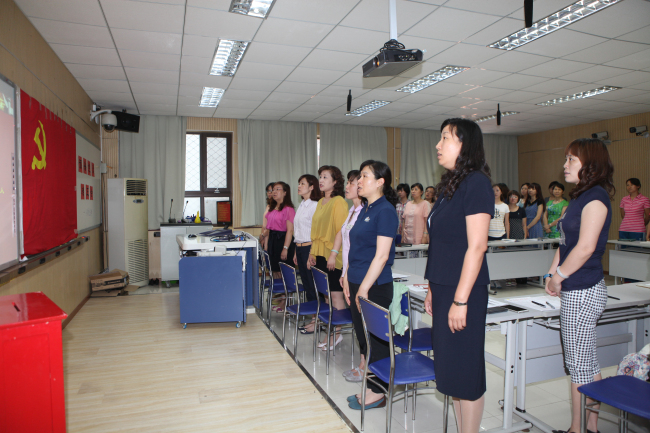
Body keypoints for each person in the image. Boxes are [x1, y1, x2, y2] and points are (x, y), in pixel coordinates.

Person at [424, 118, 493, 433]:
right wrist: (432, 288)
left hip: (463, 291)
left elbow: (477, 247)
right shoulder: (449, 185)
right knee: (452, 372)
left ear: (464, 144)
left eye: (445, 138)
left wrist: (460, 300)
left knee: (466, 371)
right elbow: (440, 244)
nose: (438, 145)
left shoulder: (476, 183)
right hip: (444, 288)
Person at [544, 138, 614, 433]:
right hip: (576, 287)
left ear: (590, 164)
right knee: (584, 363)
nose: (565, 165)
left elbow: (585, 248)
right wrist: (551, 273)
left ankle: (578, 429)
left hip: (584, 289)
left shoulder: (596, 198)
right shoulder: (579, 198)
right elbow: (566, 243)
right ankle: (590, 428)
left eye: (571, 159)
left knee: (579, 366)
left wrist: (559, 276)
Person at [344, 160, 398, 410]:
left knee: (376, 342)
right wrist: (348, 279)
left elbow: (382, 255)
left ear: (380, 182)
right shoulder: (366, 209)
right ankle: (371, 386)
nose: (359, 181)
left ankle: (378, 392)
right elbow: (355, 249)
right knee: (364, 338)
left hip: (374, 286)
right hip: (357, 281)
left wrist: (364, 288)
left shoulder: (385, 211)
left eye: (365, 176)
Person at [308, 166, 349, 348]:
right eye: (320, 177)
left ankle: (337, 334)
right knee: (326, 296)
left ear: (335, 181)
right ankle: (330, 331)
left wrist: (333, 253)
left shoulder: (339, 201)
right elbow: (316, 232)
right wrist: (312, 253)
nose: (321, 180)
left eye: (325, 177)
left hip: (333, 255)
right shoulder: (320, 202)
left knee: (336, 296)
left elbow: (341, 230)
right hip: (320, 255)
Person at [331, 171, 365, 381]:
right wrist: (343, 273)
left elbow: (357, 248)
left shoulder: (363, 211)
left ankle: (365, 364)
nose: (348, 186)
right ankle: (362, 363)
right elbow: (345, 244)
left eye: (352, 183)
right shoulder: (352, 210)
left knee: (362, 321)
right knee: (357, 321)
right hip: (349, 273)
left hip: (359, 273)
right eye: (349, 182)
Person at [292, 175, 320, 330]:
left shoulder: (315, 205)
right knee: (307, 285)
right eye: (299, 183)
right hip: (300, 247)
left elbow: (316, 232)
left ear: (311, 187)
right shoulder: (302, 205)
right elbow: (298, 230)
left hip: (310, 248)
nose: (299, 186)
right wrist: (296, 251)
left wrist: (312, 253)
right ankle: (313, 319)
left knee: (313, 285)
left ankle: (317, 320)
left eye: (302, 183)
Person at [264, 182, 296, 312]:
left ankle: (286, 301)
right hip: (273, 240)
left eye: (278, 189)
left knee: (284, 273)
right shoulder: (272, 207)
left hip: (283, 240)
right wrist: (267, 246)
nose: (274, 192)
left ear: (285, 192)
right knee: (276, 271)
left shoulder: (288, 209)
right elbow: (268, 229)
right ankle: (282, 298)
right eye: (273, 189)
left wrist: (285, 248)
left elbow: (290, 230)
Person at [259, 182, 276, 246]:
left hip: (271, 235)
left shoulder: (276, 206)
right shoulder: (268, 206)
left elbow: (271, 225)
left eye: (271, 190)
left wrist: (263, 235)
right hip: (265, 234)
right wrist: (262, 235)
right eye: (268, 191)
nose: (269, 192)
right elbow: (264, 224)